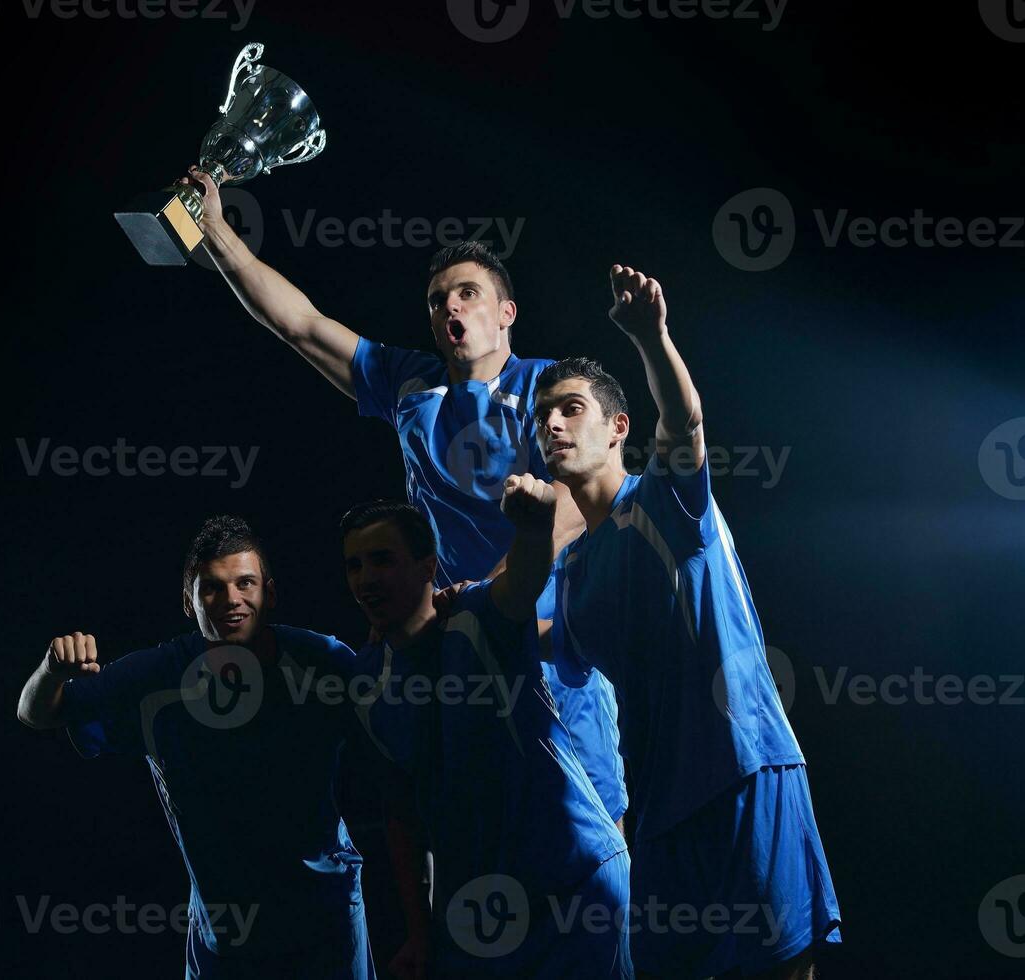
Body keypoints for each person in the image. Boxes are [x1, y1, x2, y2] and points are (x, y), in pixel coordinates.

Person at [180, 165, 628, 831]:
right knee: (471, 828)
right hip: (453, 647)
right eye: (437, 299)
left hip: (544, 645)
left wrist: (482, 601)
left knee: (593, 834)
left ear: (505, 314)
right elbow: (299, 324)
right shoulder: (405, 382)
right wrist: (215, 231)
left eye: (468, 294)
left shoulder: (548, 389)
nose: (450, 306)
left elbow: (571, 508)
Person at [533, 265, 842, 978]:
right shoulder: (573, 575)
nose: (550, 422)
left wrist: (649, 335)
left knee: (779, 969)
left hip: (745, 770)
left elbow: (686, 422)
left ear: (616, 427)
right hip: (663, 811)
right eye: (541, 414)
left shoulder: (666, 499)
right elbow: (540, 642)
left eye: (570, 408)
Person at [16, 515, 377, 979]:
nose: (231, 600)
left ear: (270, 591)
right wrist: (50, 670)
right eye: (211, 588)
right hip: (223, 936)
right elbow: (35, 712)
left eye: (245, 583)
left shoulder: (323, 663)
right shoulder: (158, 680)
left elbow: (398, 738)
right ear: (189, 602)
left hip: (328, 922)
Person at [340, 495, 632, 977]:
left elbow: (523, 581)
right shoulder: (367, 681)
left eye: (382, 560)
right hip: (481, 910)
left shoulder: (478, 615)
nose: (366, 578)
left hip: (575, 886)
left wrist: (535, 528)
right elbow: (401, 812)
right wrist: (418, 930)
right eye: (354, 565)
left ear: (427, 565)